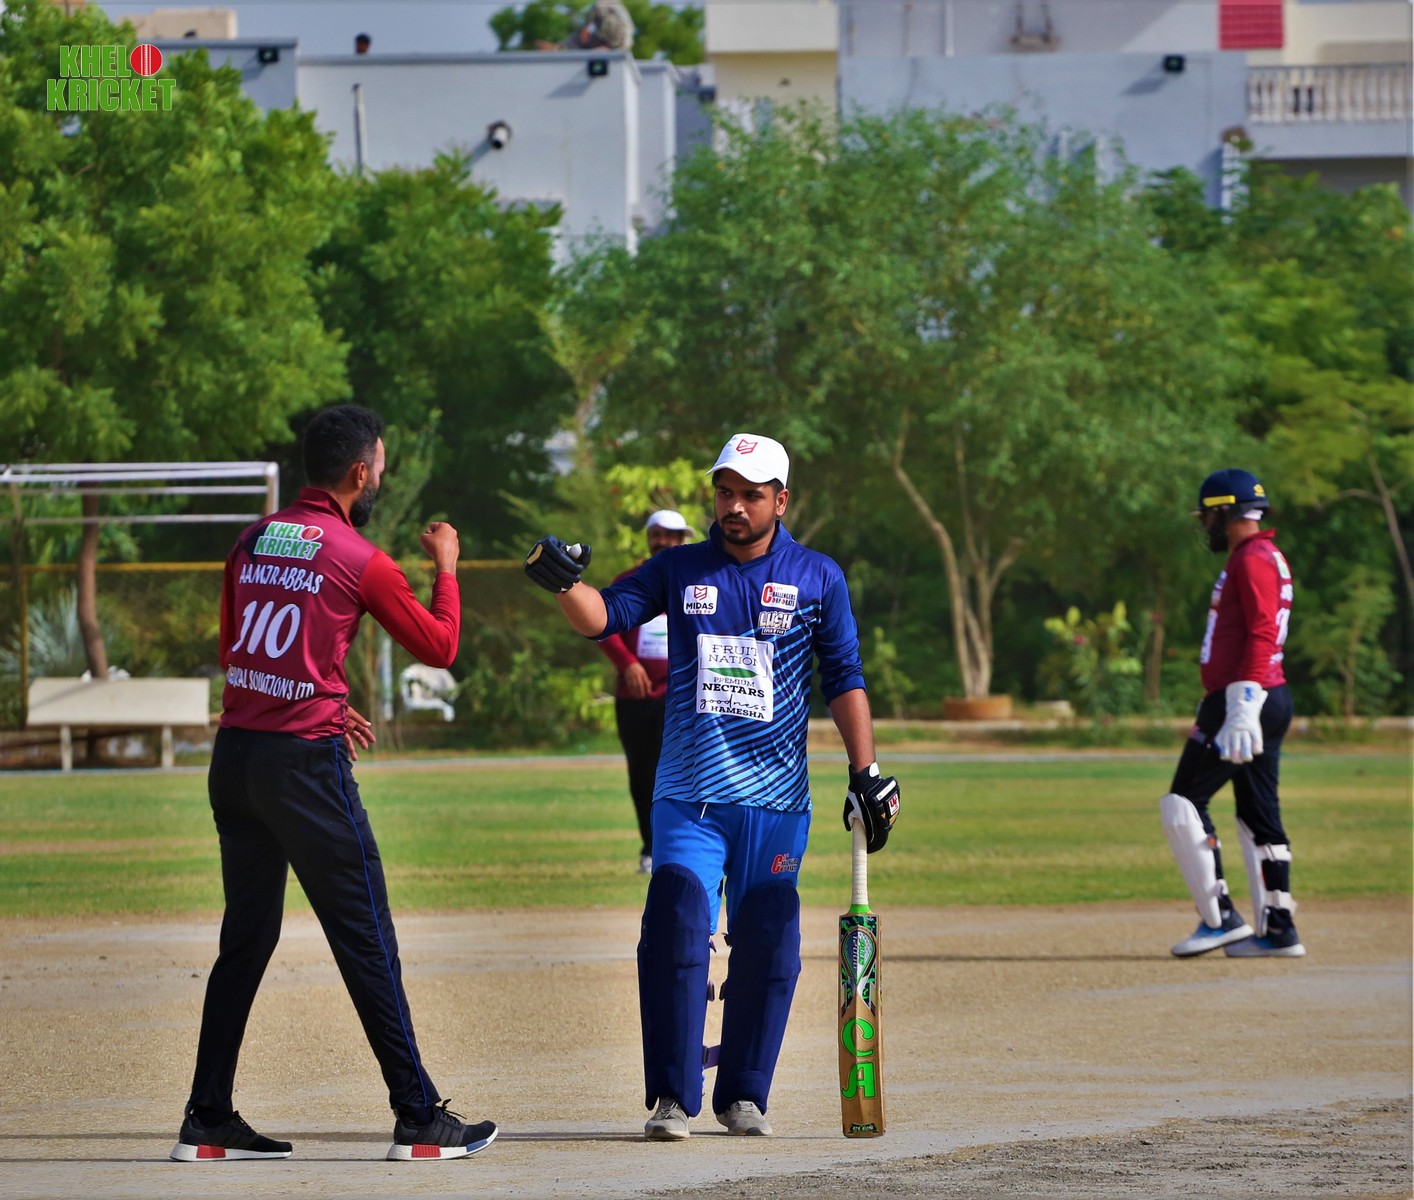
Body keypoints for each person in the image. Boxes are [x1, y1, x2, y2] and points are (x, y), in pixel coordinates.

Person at [525, 433, 900, 1140]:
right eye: (725, 492)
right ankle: (672, 1096)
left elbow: (845, 677)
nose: (734, 506)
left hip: (777, 803)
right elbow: (605, 617)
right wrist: (564, 584)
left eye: (751, 495)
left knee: (769, 942)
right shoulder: (679, 567)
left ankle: (744, 1096)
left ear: (781, 501)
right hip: (689, 796)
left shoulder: (818, 577)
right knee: (675, 923)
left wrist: (867, 773)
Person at [172, 405, 498, 1164]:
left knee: (246, 939)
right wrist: (447, 566)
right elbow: (439, 646)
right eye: (380, 464)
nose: (381, 474)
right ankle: (419, 1118)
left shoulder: (251, 540)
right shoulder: (359, 556)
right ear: (359, 472)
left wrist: (321, 695)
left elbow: (239, 652)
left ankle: (207, 1117)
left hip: (236, 759)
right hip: (302, 769)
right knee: (366, 936)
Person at [1160, 468, 1305, 959]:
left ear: (1225, 511)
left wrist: (1241, 706)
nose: (1205, 525)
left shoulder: (1251, 558)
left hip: (1246, 697)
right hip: (1265, 694)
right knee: (1257, 813)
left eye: (1207, 516)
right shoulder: (1262, 554)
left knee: (1183, 802)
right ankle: (1279, 929)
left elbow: (1263, 632)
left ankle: (1220, 919)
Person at [598, 509, 693, 875]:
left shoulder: (697, 582)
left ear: (683, 540)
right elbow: (602, 624)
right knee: (642, 773)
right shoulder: (629, 580)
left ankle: (684, 846)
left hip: (683, 696)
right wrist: (628, 664)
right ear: (649, 537)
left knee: (686, 772)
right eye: (658, 534)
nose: (664, 541)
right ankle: (651, 848)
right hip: (636, 697)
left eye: (672, 535)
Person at [562, 1, 634, 50]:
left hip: (611, 46)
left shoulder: (612, 10)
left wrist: (609, 47)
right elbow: (581, 36)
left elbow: (624, 36)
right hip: (595, 46)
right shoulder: (595, 10)